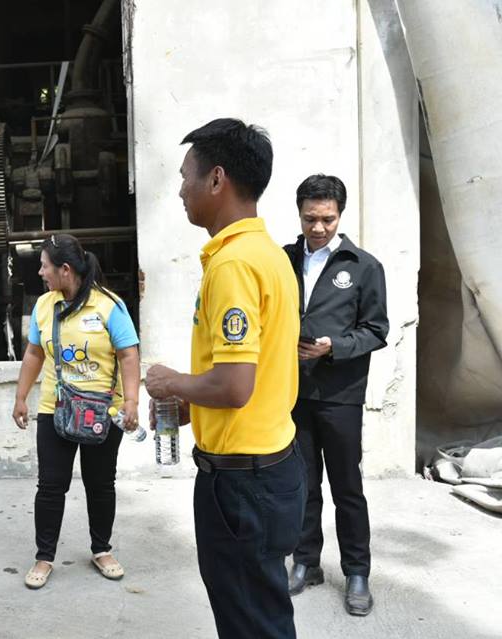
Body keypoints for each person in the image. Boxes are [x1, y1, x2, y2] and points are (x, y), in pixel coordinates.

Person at [146, 118, 305, 638]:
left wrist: (172, 383)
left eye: (185, 176)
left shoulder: (233, 265)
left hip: (242, 486)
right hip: (271, 467)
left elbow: (236, 386)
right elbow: (260, 372)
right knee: (263, 615)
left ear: (217, 179)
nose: (180, 190)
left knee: (249, 624)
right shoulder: (269, 255)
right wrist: (195, 401)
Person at [283, 174, 388, 616]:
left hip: (341, 394)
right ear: (300, 214)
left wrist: (335, 347)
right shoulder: (283, 260)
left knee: (347, 487)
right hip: (294, 391)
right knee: (303, 484)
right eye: (310, 218)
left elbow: (376, 330)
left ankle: (357, 572)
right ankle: (306, 562)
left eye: (327, 219)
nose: (318, 227)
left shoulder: (363, 266)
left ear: (340, 215)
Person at [11, 233, 141, 590]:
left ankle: (102, 549)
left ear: (65, 269)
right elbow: (34, 353)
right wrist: (21, 396)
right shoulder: (44, 305)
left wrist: (131, 402)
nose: (41, 272)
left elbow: (129, 354)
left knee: (101, 484)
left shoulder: (109, 305)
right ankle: (44, 556)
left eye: (44, 266)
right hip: (55, 409)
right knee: (50, 486)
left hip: (103, 411)